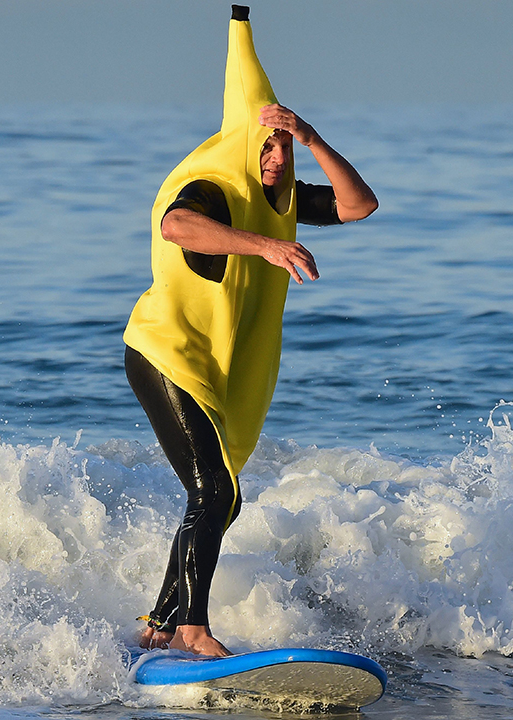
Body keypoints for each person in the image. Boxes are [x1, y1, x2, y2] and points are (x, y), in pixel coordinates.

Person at [123, 5, 377, 658]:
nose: (275, 156)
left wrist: (314, 136)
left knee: (219, 499)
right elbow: (176, 227)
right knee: (215, 489)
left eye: (283, 146)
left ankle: (156, 624)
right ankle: (192, 630)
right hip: (162, 353)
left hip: (211, 371)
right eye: (265, 144)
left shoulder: (285, 200)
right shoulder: (212, 187)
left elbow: (359, 204)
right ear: (242, 147)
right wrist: (262, 247)